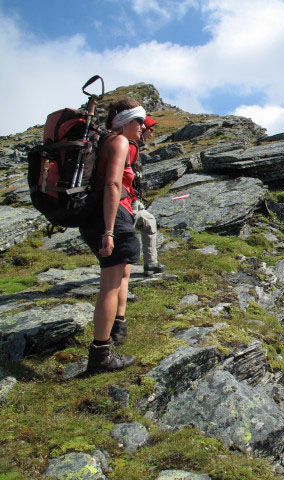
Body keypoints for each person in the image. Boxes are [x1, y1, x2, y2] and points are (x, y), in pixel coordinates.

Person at [79, 97, 145, 373]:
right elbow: (112, 183)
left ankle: (112, 335)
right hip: (112, 217)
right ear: (126, 122)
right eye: (139, 121)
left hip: (97, 215)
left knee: (117, 279)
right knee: (110, 285)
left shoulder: (102, 142)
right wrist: (109, 230)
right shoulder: (118, 142)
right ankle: (101, 354)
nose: (142, 127)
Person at [130, 115, 165, 276]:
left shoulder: (134, 147)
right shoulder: (128, 146)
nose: (152, 134)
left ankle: (151, 263)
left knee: (149, 222)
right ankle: (119, 275)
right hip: (125, 200)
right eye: (151, 130)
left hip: (134, 198)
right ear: (143, 128)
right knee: (124, 235)